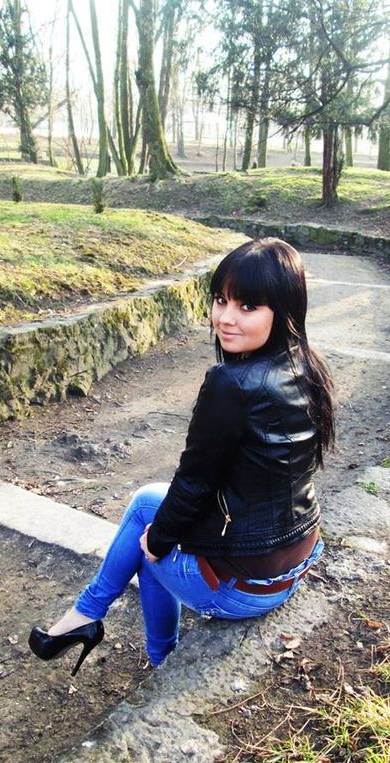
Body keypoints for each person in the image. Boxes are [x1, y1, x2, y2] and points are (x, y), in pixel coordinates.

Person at [29, 238, 335, 675]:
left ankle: (151, 655)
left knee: (149, 545)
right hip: (297, 556)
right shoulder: (307, 364)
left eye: (247, 307)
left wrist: (156, 544)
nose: (225, 318)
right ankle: (87, 617)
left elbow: (194, 482)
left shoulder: (231, 383)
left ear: (283, 310)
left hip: (249, 586)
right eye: (220, 300)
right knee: (147, 504)